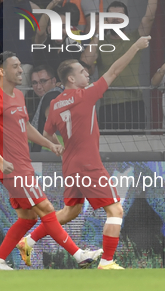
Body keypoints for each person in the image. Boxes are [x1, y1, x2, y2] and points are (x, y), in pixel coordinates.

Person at [19, 36, 151, 270]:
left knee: (71, 211)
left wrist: (58, 146)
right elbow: (114, 70)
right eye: (82, 71)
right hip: (89, 164)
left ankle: (28, 241)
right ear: (71, 78)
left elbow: (47, 133)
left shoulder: (55, 104)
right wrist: (135, 46)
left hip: (70, 165)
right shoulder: (85, 95)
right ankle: (108, 262)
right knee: (115, 209)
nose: (87, 73)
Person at [0, 51, 102, 270]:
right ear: (1, 71)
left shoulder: (18, 95)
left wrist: (50, 144)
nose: (20, 70)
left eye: (20, 65)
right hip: (13, 169)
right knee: (46, 208)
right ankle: (79, 255)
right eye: (15, 66)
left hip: (23, 165)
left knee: (27, 219)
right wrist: (0, 161)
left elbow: (25, 127)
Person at [82, 0, 162, 130]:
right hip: (108, 105)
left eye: (120, 17)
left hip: (134, 104)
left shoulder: (134, 37)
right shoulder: (100, 41)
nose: (116, 20)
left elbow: (150, 17)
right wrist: (98, 33)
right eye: (112, 17)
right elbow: (86, 62)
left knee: (135, 151)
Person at [28, 65, 61, 152]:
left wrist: (60, 148)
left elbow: (50, 123)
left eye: (43, 81)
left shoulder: (51, 96)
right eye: (34, 83)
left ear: (54, 81)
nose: (38, 87)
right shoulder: (59, 94)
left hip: (49, 153)